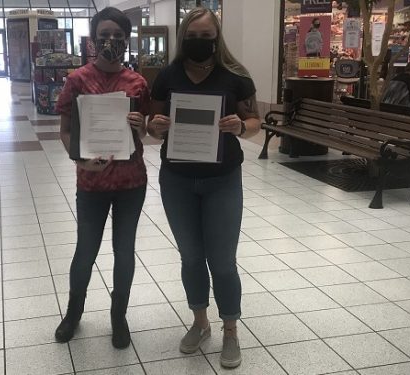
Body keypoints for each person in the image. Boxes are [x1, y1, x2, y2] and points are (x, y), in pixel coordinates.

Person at [147, 7, 260, 369]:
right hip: (177, 179)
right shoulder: (168, 75)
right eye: (192, 37)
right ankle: (200, 322)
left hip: (222, 179)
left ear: (217, 38)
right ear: (184, 38)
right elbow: (152, 125)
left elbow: (255, 119)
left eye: (206, 36)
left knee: (223, 261)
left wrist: (241, 128)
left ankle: (230, 330)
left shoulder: (235, 76)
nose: (199, 43)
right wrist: (156, 126)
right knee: (191, 257)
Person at [53, 6, 150, 349]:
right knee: (85, 251)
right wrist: (77, 156)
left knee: (124, 251)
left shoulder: (137, 82)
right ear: (94, 39)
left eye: (118, 37)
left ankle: (118, 316)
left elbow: (148, 127)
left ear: (127, 40)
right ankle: (73, 312)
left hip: (131, 182)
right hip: (91, 183)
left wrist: (143, 126)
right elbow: (65, 130)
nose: (111, 41)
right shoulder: (77, 80)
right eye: (104, 35)